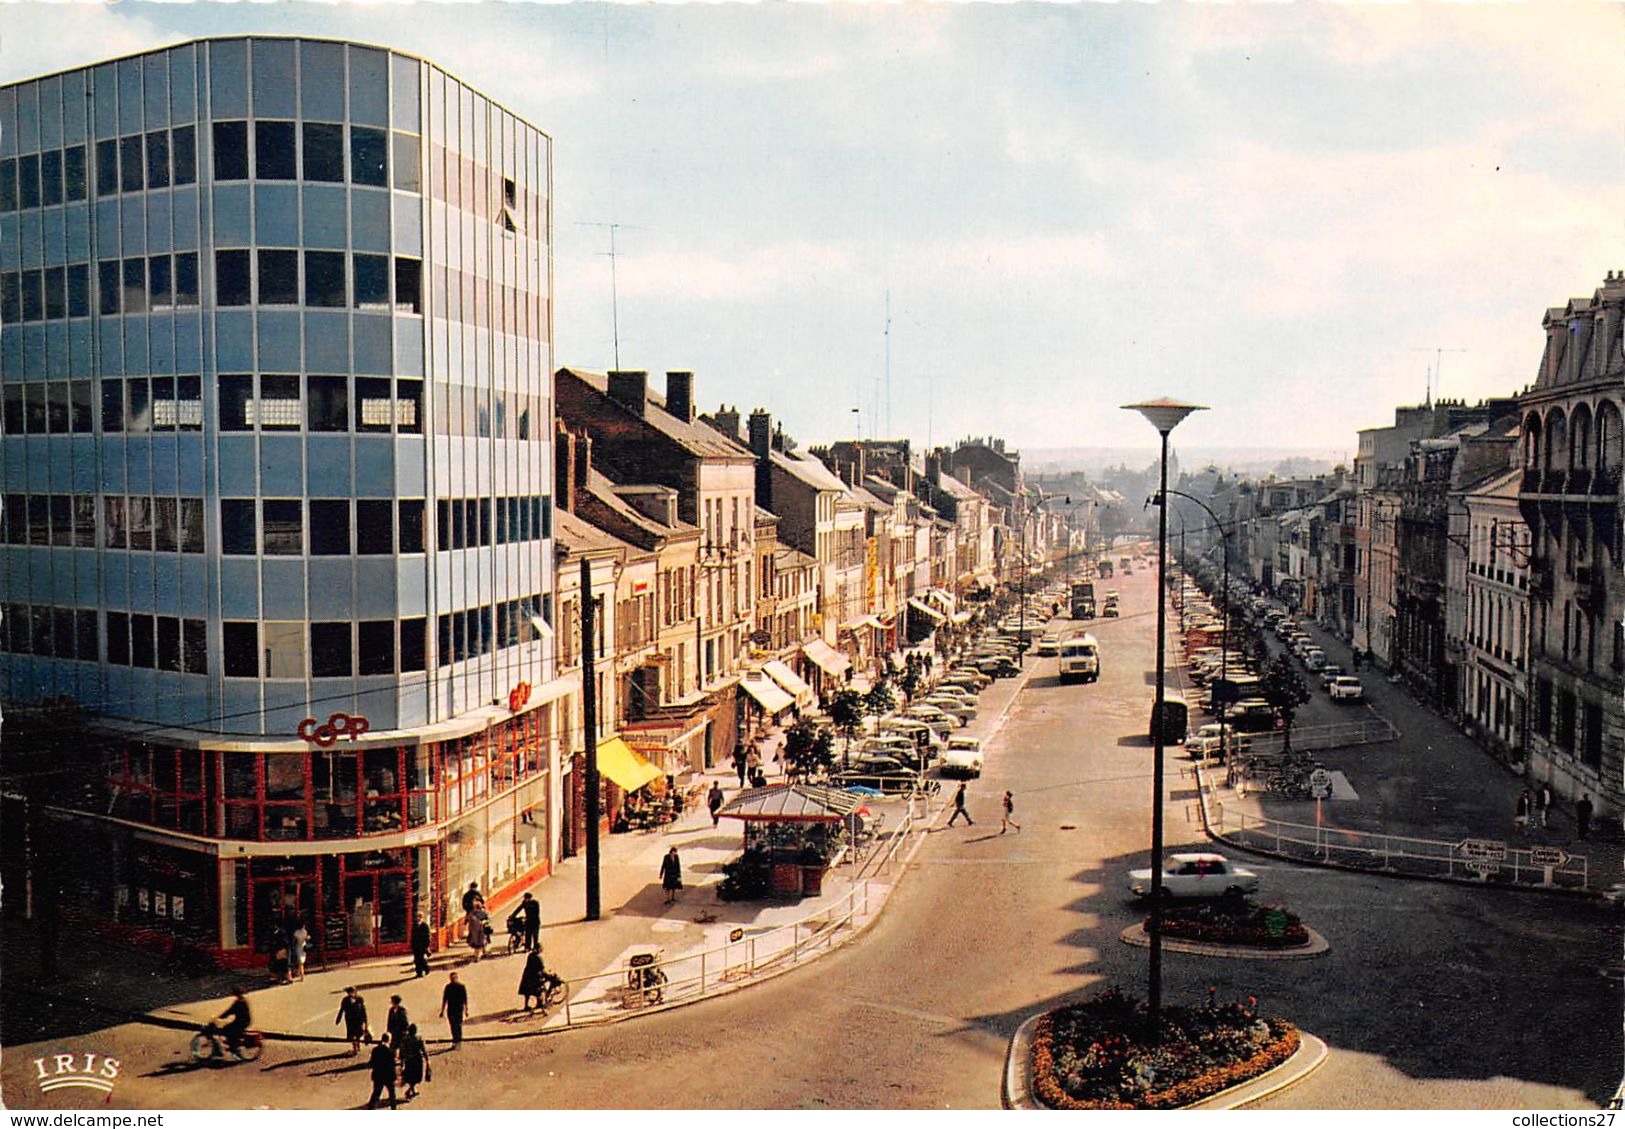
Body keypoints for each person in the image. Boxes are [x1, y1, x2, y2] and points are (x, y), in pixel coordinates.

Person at [212, 987, 253, 1056]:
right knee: (228, 1029)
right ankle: (232, 1043)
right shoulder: (242, 1000)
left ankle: (234, 1047)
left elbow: (230, 1011)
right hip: (243, 1020)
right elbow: (231, 1010)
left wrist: (220, 1016)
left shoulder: (239, 1002)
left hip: (242, 1022)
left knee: (228, 1029)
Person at [366, 1033, 398, 1109]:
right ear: (389, 1040)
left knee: (376, 1093)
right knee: (392, 1094)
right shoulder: (390, 1051)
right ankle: (393, 1108)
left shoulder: (375, 1050)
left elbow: (372, 1062)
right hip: (388, 1076)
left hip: (378, 1075)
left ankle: (371, 1108)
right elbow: (393, 1063)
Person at [398, 1023, 428, 1100]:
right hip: (417, 1060)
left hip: (409, 1060)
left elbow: (402, 1050)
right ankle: (410, 1090)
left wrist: (401, 1060)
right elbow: (424, 1050)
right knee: (416, 1076)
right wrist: (427, 1059)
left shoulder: (405, 1039)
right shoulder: (419, 1038)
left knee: (410, 1076)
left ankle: (412, 1089)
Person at [336, 986, 369, 1055]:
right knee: (352, 1034)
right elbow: (341, 1010)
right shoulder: (345, 1000)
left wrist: (365, 1021)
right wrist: (338, 1019)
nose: (350, 994)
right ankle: (355, 1047)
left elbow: (363, 1010)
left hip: (358, 1020)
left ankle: (358, 1044)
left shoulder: (360, 999)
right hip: (350, 1020)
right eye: (349, 993)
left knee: (358, 1034)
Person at [439, 971, 469, 1046]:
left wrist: (466, 1010)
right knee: (456, 1025)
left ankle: (457, 1040)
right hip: (455, 1008)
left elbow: (465, 999)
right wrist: (442, 1011)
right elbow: (445, 999)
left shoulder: (452, 987)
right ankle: (457, 1039)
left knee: (455, 1025)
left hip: (455, 1009)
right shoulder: (457, 987)